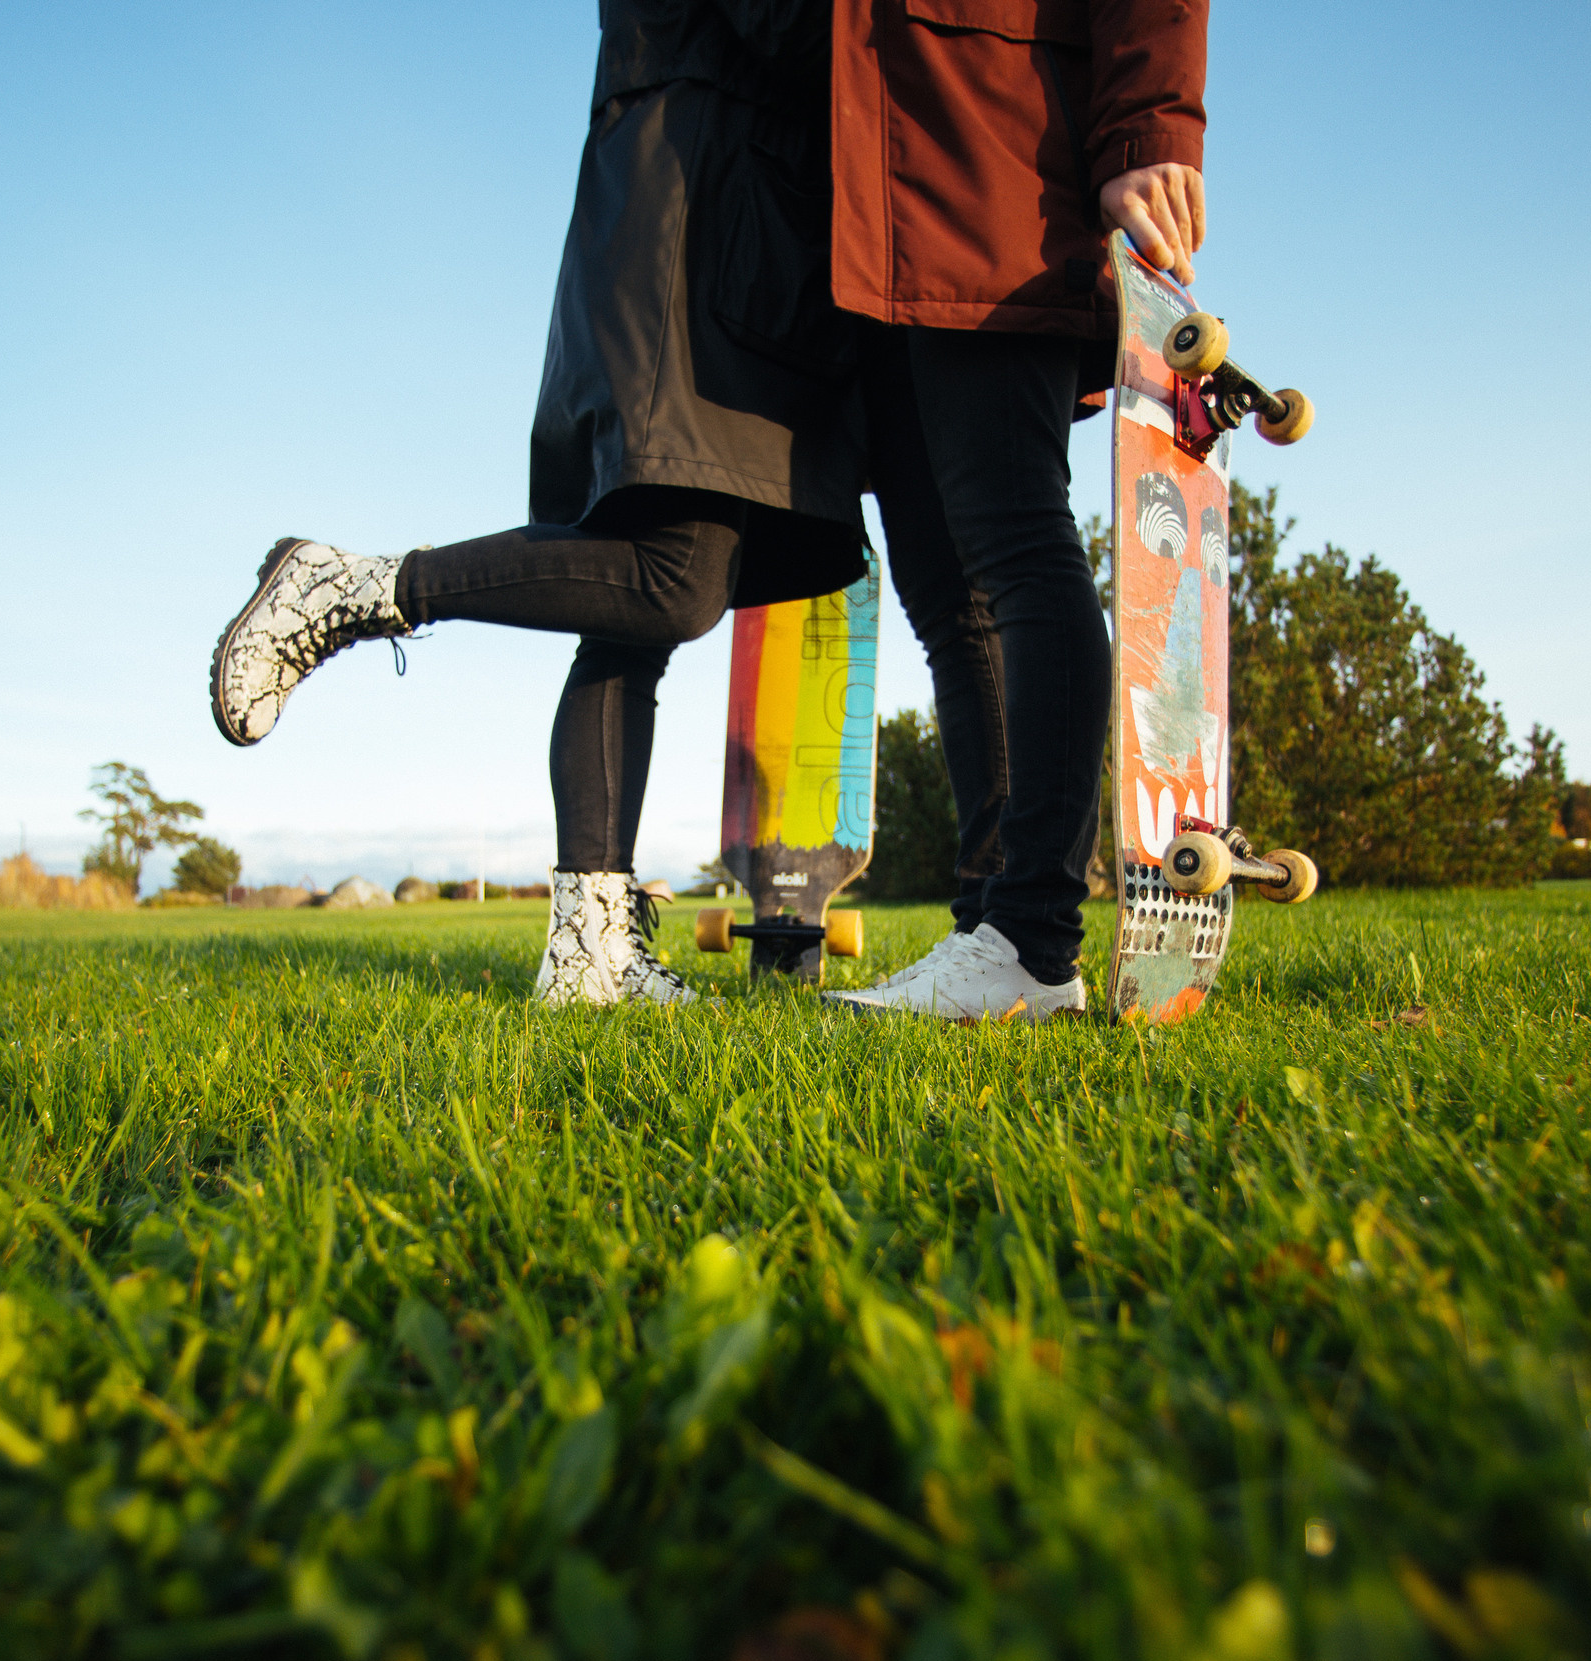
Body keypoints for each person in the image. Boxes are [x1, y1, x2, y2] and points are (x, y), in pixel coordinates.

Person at [210, 0, 1208, 1021]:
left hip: (893, 194)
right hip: (741, 205)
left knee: (880, 565)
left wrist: (1146, 124)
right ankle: (962, 936)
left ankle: (1009, 935)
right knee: (685, 565)